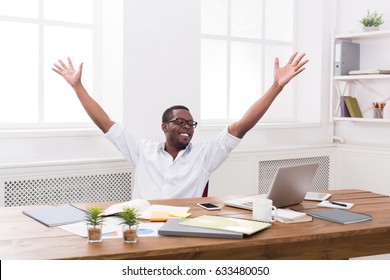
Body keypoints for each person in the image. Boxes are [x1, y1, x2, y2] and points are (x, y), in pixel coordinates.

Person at [52, 52, 308, 199]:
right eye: (180, 122)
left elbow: (241, 126)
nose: (187, 127)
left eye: (191, 123)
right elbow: (105, 123)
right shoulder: (143, 151)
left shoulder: (205, 155)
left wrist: (276, 87)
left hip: (184, 228)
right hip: (142, 227)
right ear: (164, 127)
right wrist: (77, 86)